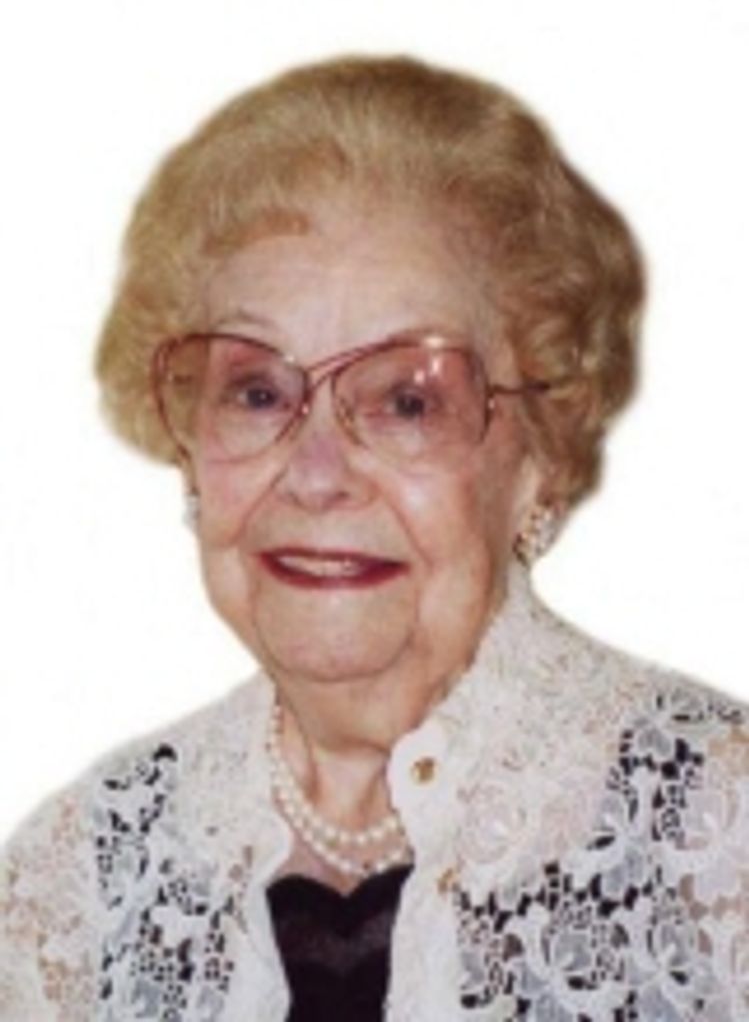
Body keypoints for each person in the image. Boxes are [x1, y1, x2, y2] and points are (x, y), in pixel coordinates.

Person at [1, 54, 747, 1022]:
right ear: (188, 449)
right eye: (256, 391)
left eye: (407, 401)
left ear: (539, 456)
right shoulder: (73, 885)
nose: (315, 475)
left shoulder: (716, 837)